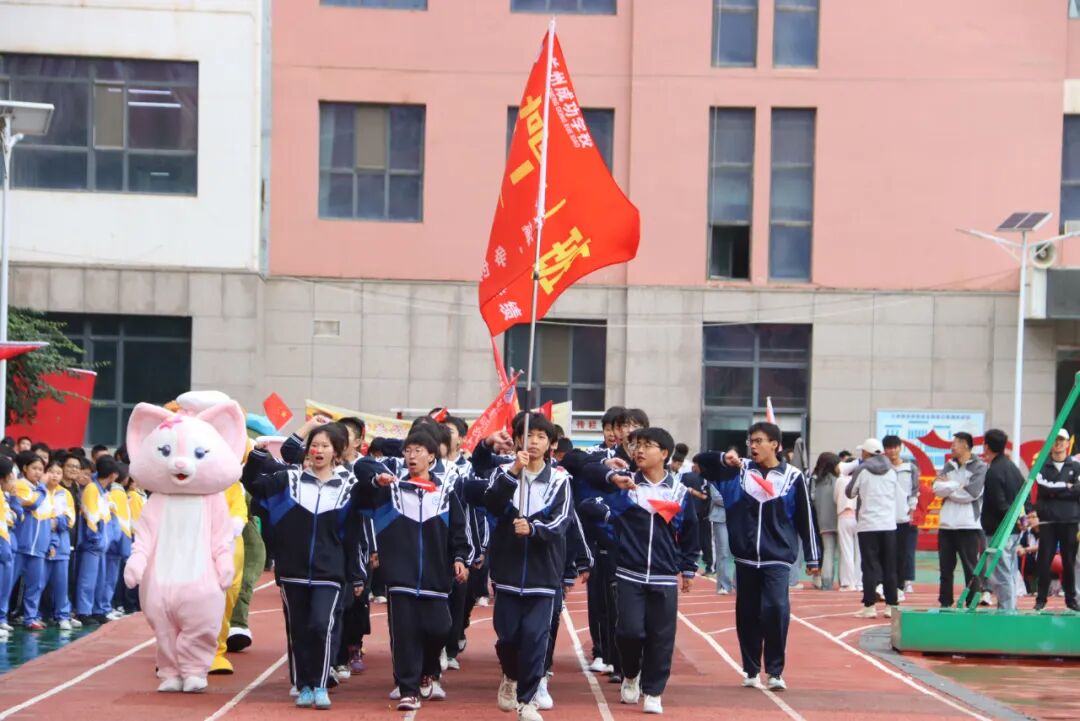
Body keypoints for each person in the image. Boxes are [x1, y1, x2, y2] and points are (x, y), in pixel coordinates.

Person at [242, 423, 366, 710]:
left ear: (336, 451)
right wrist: (257, 458)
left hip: (330, 573)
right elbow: (254, 485)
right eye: (315, 445)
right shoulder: (289, 482)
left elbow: (354, 536)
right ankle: (303, 684)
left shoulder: (349, 489)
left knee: (322, 624)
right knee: (298, 629)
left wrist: (355, 573)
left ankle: (320, 683)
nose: (318, 450)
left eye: (325, 446)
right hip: (293, 571)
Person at [694, 422, 819, 692]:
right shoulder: (737, 473)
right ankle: (751, 668)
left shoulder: (793, 477)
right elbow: (700, 462)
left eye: (759, 441)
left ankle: (774, 671)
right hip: (746, 558)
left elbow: (805, 518)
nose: (753, 446)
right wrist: (722, 457)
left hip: (778, 558)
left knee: (775, 609)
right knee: (747, 614)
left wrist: (813, 558)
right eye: (750, 440)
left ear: (775, 444)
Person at [354, 430, 469, 712]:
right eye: (408, 451)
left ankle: (429, 669)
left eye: (418, 451)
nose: (412, 456)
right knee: (405, 634)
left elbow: (458, 530)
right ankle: (408, 689)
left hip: (436, 577)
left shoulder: (445, 492)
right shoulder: (391, 491)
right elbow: (360, 470)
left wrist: (459, 557)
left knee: (440, 628)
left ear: (432, 457)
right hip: (400, 577)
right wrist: (376, 479)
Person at [586, 427, 698, 715]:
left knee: (661, 636)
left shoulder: (679, 491)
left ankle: (654, 690)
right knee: (629, 631)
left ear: (664, 453)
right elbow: (594, 501)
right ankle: (631, 673)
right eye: (637, 445)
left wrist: (687, 568)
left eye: (647, 445)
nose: (638, 450)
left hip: (663, 575)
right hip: (628, 572)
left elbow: (690, 531)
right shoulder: (625, 485)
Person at [483, 413, 572, 721]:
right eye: (528, 435)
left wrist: (534, 530)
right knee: (508, 637)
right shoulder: (503, 474)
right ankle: (509, 675)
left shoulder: (560, 481)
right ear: (517, 439)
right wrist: (514, 471)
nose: (533, 442)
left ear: (550, 444)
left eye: (540, 437)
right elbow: (492, 505)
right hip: (507, 574)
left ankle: (528, 700)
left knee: (536, 638)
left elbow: (561, 522)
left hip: (543, 576)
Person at [843, 439, 899, 618]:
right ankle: (891, 605)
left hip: (868, 524)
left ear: (866, 453)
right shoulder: (891, 470)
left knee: (869, 565)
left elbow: (850, 492)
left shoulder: (863, 469)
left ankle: (869, 606)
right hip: (888, 524)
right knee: (890, 566)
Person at [932, 432, 987, 608]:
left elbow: (972, 493)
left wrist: (949, 487)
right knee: (945, 569)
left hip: (968, 524)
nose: (952, 447)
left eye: (955, 443)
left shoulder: (979, 466)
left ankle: (972, 603)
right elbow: (936, 488)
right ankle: (945, 603)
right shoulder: (949, 465)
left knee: (970, 568)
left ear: (965, 445)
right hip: (947, 525)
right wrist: (957, 485)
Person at [1033, 429, 1080, 611]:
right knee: (1044, 561)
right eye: (1055, 440)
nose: (1059, 443)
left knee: (1069, 562)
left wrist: (1057, 491)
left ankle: (1071, 599)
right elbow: (1043, 489)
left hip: (1070, 521)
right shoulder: (1041, 466)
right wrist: (1068, 487)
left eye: (1062, 440)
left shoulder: (1076, 467)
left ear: (1068, 444)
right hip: (1048, 522)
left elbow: (1078, 490)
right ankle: (1041, 598)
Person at [980, 428, 1027, 610]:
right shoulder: (1012, 467)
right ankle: (1009, 606)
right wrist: (1021, 518)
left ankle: (1007, 610)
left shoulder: (994, 471)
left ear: (986, 446)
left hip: (1000, 529)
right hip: (1012, 529)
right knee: (1009, 570)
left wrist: (1013, 519)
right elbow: (1025, 492)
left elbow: (999, 503)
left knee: (1001, 572)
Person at [12, 451, 52, 630]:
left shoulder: (44, 491)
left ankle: (30, 618)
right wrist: (43, 488)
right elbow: (33, 503)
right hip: (21, 544)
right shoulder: (21, 485)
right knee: (8, 583)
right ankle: (2, 617)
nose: (38, 472)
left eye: (41, 469)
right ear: (25, 468)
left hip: (39, 547)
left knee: (35, 585)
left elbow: (50, 517)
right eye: (34, 468)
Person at [75, 457, 113, 625]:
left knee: (99, 580)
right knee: (87, 579)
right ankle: (84, 611)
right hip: (93, 544)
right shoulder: (92, 489)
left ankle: (97, 610)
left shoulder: (101, 490)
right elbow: (91, 516)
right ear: (113, 475)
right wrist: (95, 538)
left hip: (101, 545)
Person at [883, 436, 919, 596]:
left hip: (903, 517)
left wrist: (912, 510)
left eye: (895, 447)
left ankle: (902, 584)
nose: (892, 451)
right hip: (884, 517)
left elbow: (914, 491)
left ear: (900, 447)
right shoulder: (882, 468)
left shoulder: (910, 468)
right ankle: (885, 584)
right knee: (886, 553)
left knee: (903, 553)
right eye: (888, 448)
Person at [44, 458, 78, 630]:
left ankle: (62, 615)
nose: (55, 476)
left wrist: (56, 522)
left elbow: (70, 519)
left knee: (61, 583)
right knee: (39, 584)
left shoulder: (65, 494)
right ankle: (35, 615)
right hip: (41, 544)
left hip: (62, 545)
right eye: (51, 472)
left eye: (58, 473)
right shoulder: (40, 491)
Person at [809, 452, 839, 591]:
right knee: (844, 553)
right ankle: (845, 582)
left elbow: (813, 500)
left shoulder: (816, 480)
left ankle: (826, 583)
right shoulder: (838, 480)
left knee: (828, 551)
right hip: (838, 519)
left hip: (822, 521)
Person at [834, 462, 860, 591]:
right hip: (859, 517)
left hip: (844, 517)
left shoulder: (840, 481)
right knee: (859, 552)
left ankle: (848, 582)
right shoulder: (861, 478)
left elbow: (835, 498)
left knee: (846, 551)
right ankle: (859, 582)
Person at [708, 470, 734, 594]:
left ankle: (739, 584)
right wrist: (735, 501)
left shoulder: (739, 478)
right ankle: (723, 585)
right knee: (723, 552)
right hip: (720, 519)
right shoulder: (715, 479)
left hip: (737, 519)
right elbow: (717, 498)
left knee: (740, 553)